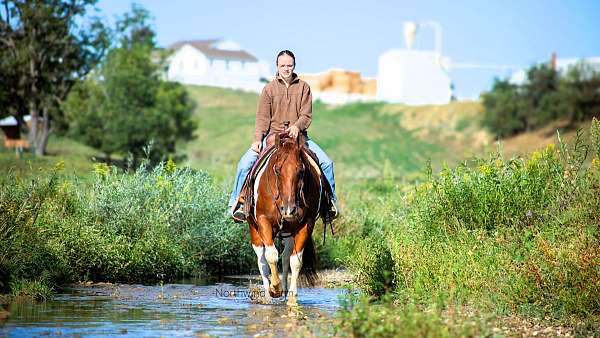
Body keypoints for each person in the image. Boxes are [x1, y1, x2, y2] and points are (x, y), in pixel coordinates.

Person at [228, 49, 338, 222]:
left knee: (326, 163)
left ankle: (328, 204)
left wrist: (297, 126)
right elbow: (262, 118)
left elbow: (306, 115)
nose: (286, 68)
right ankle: (237, 203)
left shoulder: (304, 87)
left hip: (299, 138)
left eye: (290, 65)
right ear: (277, 66)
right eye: (283, 65)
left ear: (294, 66)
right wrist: (257, 140)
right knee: (244, 164)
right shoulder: (269, 89)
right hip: (273, 138)